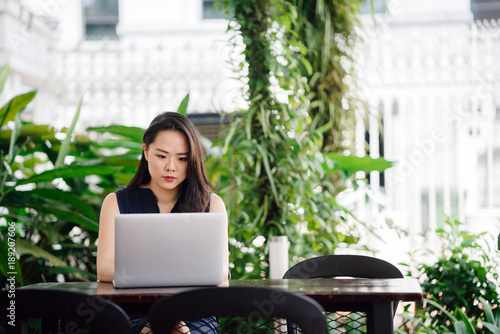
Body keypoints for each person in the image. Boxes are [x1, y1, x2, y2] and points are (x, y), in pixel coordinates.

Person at [96, 111, 229, 334]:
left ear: (192, 159)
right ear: (146, 151)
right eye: (162, 156)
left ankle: (164, 326)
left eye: (182, 158)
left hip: (196, 313)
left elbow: (221, 272)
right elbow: (105, 269)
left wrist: (144, 271)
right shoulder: (116, 203)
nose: (171, 167)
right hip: (135, 311)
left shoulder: (211, 204)